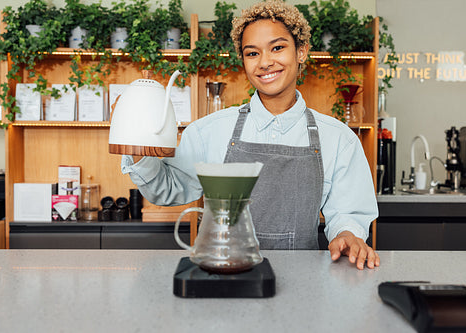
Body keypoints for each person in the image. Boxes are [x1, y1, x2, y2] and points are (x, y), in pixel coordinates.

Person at [121, 0, 379, 270]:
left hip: (305, 283)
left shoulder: (338, 138)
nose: (265, 62)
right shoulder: (209, 131)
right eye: (252, 53)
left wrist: (348, 235)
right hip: (224, 278)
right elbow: (167, 190)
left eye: (277, 48)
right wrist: (136, 143)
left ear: (301, 51)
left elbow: (347, 213)